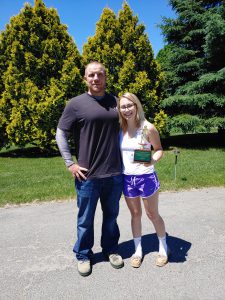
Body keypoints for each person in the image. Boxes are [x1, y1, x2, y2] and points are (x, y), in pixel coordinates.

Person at [56, 61, 124, 277]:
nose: (96, 78)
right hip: (87, 176)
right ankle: (83, 255)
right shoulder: (75, 104)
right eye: (91, 75)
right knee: (85, 220)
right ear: (85, 78)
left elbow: (133, 128)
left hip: (114, 173)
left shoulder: (116, 102)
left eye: (100, 74)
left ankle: (111, 250)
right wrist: (70, 162)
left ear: (106, 77)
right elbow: (61, 133)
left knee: (111, 217)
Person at [118, 92, 169, 268]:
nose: (126, 110)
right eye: (123, 106)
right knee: (135, 215)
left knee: (152, 214)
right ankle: (137, 250)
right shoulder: (120, 129)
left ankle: (163, 247)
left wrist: (153, 159)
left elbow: (159, 149)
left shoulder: (148, 128)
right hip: (127, 178)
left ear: (137, 105)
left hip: (146, 177)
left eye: (129, 105)